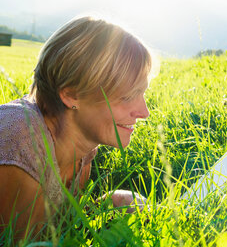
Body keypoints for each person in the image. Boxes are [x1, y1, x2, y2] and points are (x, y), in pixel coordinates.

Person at [0, 15, 153, 239]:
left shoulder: (82, 145)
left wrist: (105, 209)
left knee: (128, 203)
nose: (144, 112)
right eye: (128, 96)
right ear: (71, 94)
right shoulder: (23, 142)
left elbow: (62, 225)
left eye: (142, 93)